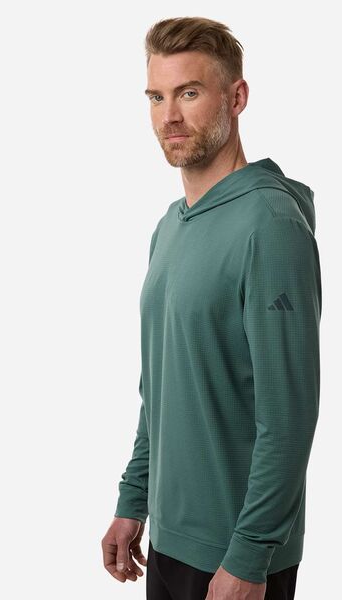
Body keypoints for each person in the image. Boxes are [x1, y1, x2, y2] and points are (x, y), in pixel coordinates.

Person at [101, 16, 322, 600]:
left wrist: (250, 555)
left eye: (190, 93)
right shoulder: (169, 227)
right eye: (156, 97)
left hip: (236, 555)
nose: (169, 116)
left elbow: (289, 416)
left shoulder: (271, 224)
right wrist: (134, 498)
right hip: (170, 540)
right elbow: (161, 382)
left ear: (237, 97)